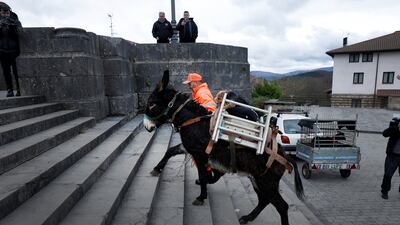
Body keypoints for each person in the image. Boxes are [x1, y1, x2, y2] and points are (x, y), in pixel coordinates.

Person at [0, 2, 21, 97]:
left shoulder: (14, 18)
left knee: (17, 71)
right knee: (6, 71)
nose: (6, 15)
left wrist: (12, 26)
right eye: (4, 13)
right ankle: (10, 89)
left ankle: (20, 88)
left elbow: (21, 33)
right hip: (2, 50)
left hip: (14, 50)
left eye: (7, 12)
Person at [380, 115, 400, 199]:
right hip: (393, 155)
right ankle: (385, 191)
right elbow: (384, 134)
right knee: (388, 174)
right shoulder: (395, 130)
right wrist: (394, 128)